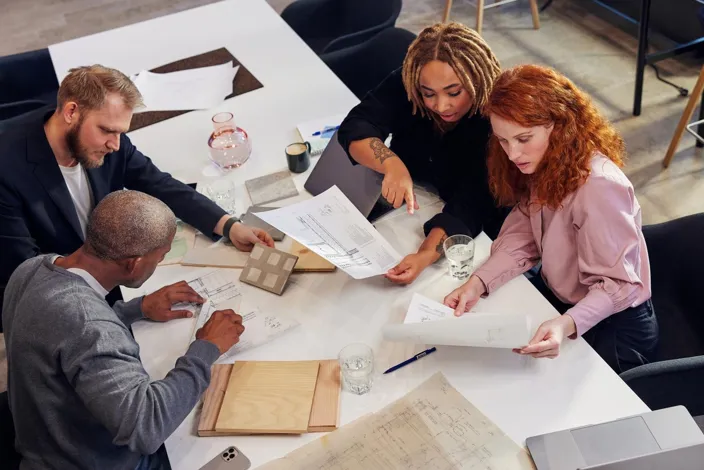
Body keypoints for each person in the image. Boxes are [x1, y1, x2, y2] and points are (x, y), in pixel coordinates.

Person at [0, 65, 274, 323]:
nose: (116, 145)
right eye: (107, 131)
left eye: (121, 133)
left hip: (104, 270)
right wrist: (136, 309)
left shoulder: (107, 141)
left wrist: (229, 225)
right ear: (71, 111)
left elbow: (158, 183)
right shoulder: (6, 171)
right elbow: (30, 278)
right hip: (58, 299)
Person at [3, 190, 245, 470]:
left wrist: (136, 308)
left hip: (45, 439)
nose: (159, 263)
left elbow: (60, 331)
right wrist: (206, 347)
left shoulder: (31, 269)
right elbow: (146, 428)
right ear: (134, 264)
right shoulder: (88, 326)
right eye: (161, 256)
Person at [443, 65, 658, 373]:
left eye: (523, 138)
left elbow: (621, 285)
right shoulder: (546, 161)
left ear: (559, 127)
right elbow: (525, 234)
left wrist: (567, 323)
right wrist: (478, 282)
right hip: (566, 303)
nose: (513, 154)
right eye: (503, 141)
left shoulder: (599, 186)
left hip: (615, 326)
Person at [337, 22, 510, 286]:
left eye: (454, 92)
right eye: (428, 94)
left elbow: (473, 203)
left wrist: (425, 254)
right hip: (407, 209)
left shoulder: (496, 120)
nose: (441, 106)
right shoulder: (408, 85)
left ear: (477, 80)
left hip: (475, 231)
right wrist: (391, 164)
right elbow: (357, 125)